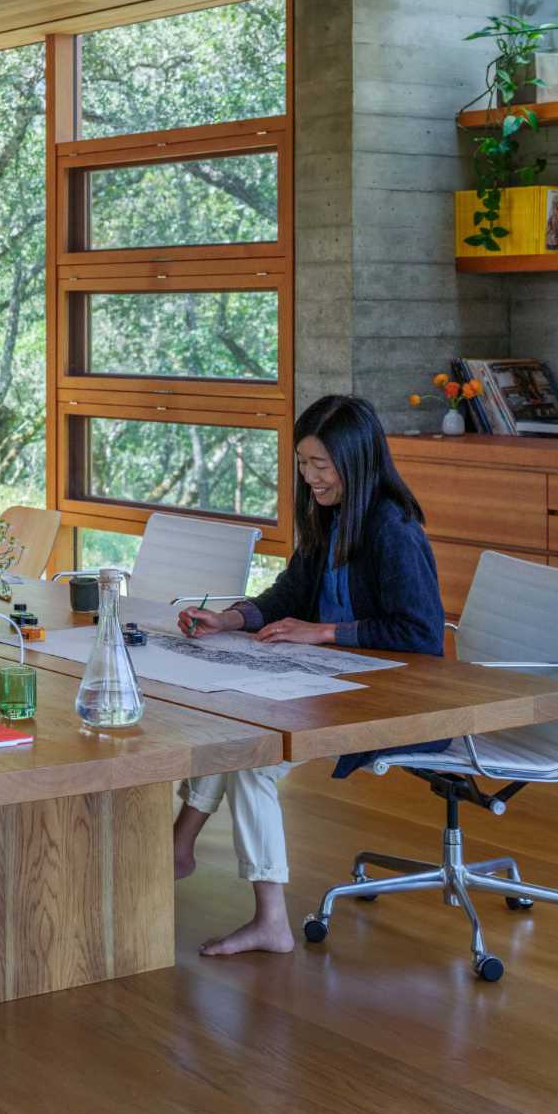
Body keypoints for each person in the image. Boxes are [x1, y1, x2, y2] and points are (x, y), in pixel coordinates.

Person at [172, 395, 446, 956]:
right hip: (331, 684)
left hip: (390, 698)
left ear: (358, 461)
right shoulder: (329, 518)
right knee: (233, 726)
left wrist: (324, 633)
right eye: (303, 463)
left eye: (321, 465)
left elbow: (421, 635)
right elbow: (289, 595)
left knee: (254, 760)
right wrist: (230, 618)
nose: (310, 477)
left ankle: (268, 919)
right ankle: (179, 846)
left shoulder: (394, 531)